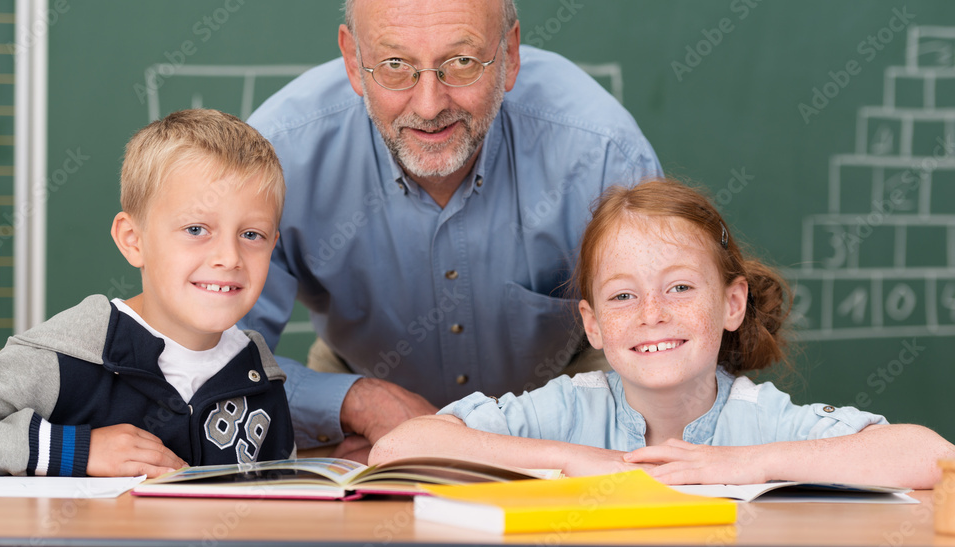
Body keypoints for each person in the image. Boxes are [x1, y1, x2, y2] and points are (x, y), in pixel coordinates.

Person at [244, 0, 662, 455]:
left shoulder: (603, 152)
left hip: (574, 407)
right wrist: (355, 402)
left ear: (508, 53)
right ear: (354, 61)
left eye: (461, 62)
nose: (427, 104)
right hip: (360, 412)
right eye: (394, 65)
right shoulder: (277, 156)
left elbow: (666, 348)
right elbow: (215, 355)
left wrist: (529, 438)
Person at [368, 179, 955, 488]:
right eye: (623, 296)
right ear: (593, 325)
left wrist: (745, 465)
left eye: (679, 288)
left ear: (731, 303)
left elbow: (931, 457)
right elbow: (398, 447)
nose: (652, 313)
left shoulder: (759, 417)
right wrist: (572, 459)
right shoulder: (569, 408)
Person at [0, 109, 295, 476]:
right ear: (133, 241)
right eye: (196, 229)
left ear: (273, 245)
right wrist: (74, 451)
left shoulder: (259, 375)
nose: (229, 257)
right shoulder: (67, 356)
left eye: (251, 235)